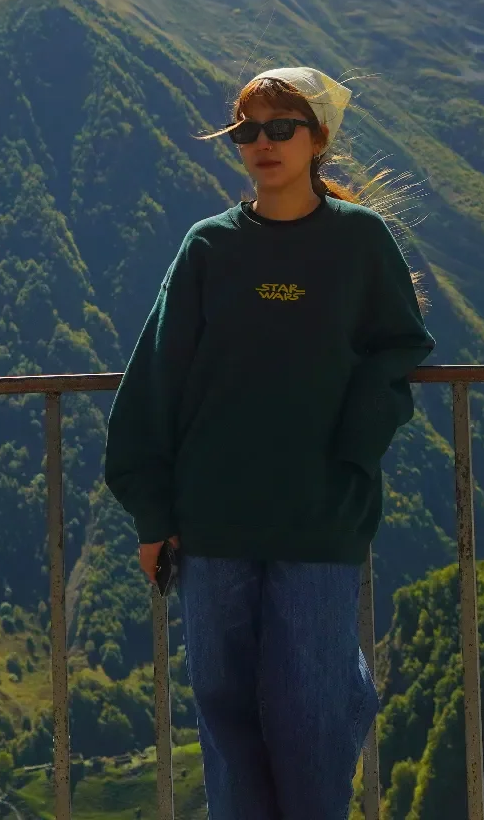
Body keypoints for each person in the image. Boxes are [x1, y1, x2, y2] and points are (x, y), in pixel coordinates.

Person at [103, 66, 436, 820]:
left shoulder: (361, 242)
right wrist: (153, 514)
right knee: (227, 719)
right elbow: (156, 378)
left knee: (315, 713)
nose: (263, 143)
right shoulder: (209, 248)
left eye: (281, 127)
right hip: (213, 520)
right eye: (247, 130)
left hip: (320, 519)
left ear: (318, 139)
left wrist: (352, 449)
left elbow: (399, 347)